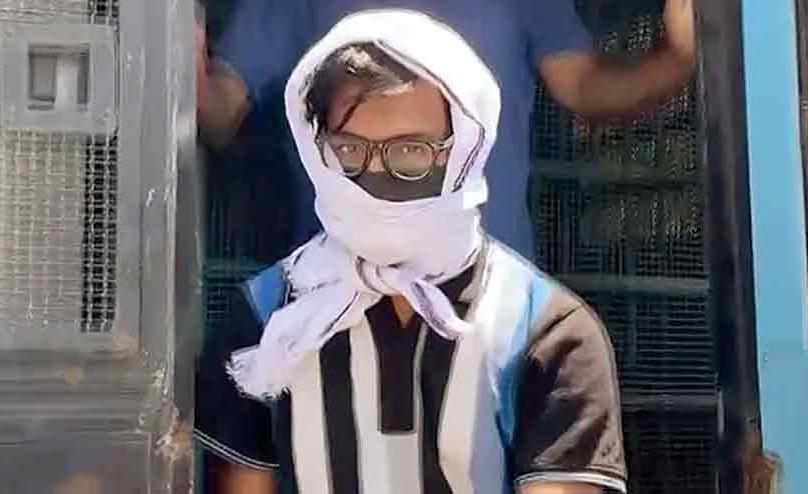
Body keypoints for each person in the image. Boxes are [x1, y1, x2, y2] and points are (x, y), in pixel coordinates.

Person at [195, 11, 626, 494]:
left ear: (462, 152)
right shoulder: (264, 322)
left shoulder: (546, 332)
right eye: (350, 150)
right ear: (317, 148)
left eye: (410, 152)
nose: (377, 179)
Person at [196, 0, 695, 260]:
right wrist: (177, 49)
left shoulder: (536, 323)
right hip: (337, 294)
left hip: (485, 296)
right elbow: (220, 114)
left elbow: (585, 88)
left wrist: (680, 57)